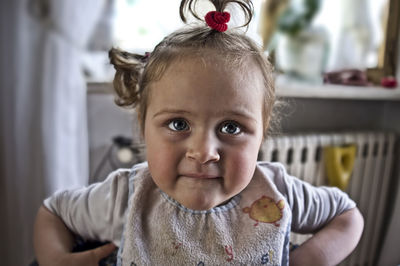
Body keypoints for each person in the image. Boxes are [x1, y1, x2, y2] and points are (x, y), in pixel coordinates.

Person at [33, 0, 364, 265]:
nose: (204, 151)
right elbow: (53, 212)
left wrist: (310, 258)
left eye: (231, 127)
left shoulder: (278, 193)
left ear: (262, 135)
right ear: (143, 127)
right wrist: (56, 258)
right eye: (179, 124)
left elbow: (347, 215)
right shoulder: (125, 195)